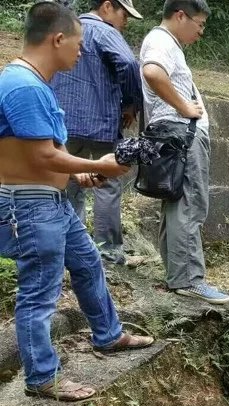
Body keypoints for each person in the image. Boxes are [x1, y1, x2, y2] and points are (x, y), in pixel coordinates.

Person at [0, 1, 151, 402]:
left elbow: (47, 149)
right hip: (29, 206)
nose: (81, 51)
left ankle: (108, 334)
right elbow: (42, 156)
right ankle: (42, 378)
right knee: (39, 293)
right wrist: (99, 163)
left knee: (87, 262)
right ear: (58, 38)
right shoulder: (23, 85)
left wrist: (78, 174)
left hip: (50, 202)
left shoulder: (36, 83)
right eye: (79, 43)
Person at [140, 0, 229, 303]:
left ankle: (178, 275)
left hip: (176, 135)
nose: (201, 31)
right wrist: (184, 106)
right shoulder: (161, 40)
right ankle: (189, 280)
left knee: (177, 204)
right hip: (183, 135)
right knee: (190, 205)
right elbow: (153, 73)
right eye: (199, 23)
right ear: (181, 15)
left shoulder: (167, 43)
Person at [49, 0, 143, 266]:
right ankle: (108, 251)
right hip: (100, 121)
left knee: (67, 183)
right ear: (107, 7)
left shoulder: (67, 27)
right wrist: (130, 103)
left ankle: (71, 249)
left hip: (65, 121)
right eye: (124, 15)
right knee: (107, 185)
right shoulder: (105, 31)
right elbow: (127, 61)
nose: (125, 23)